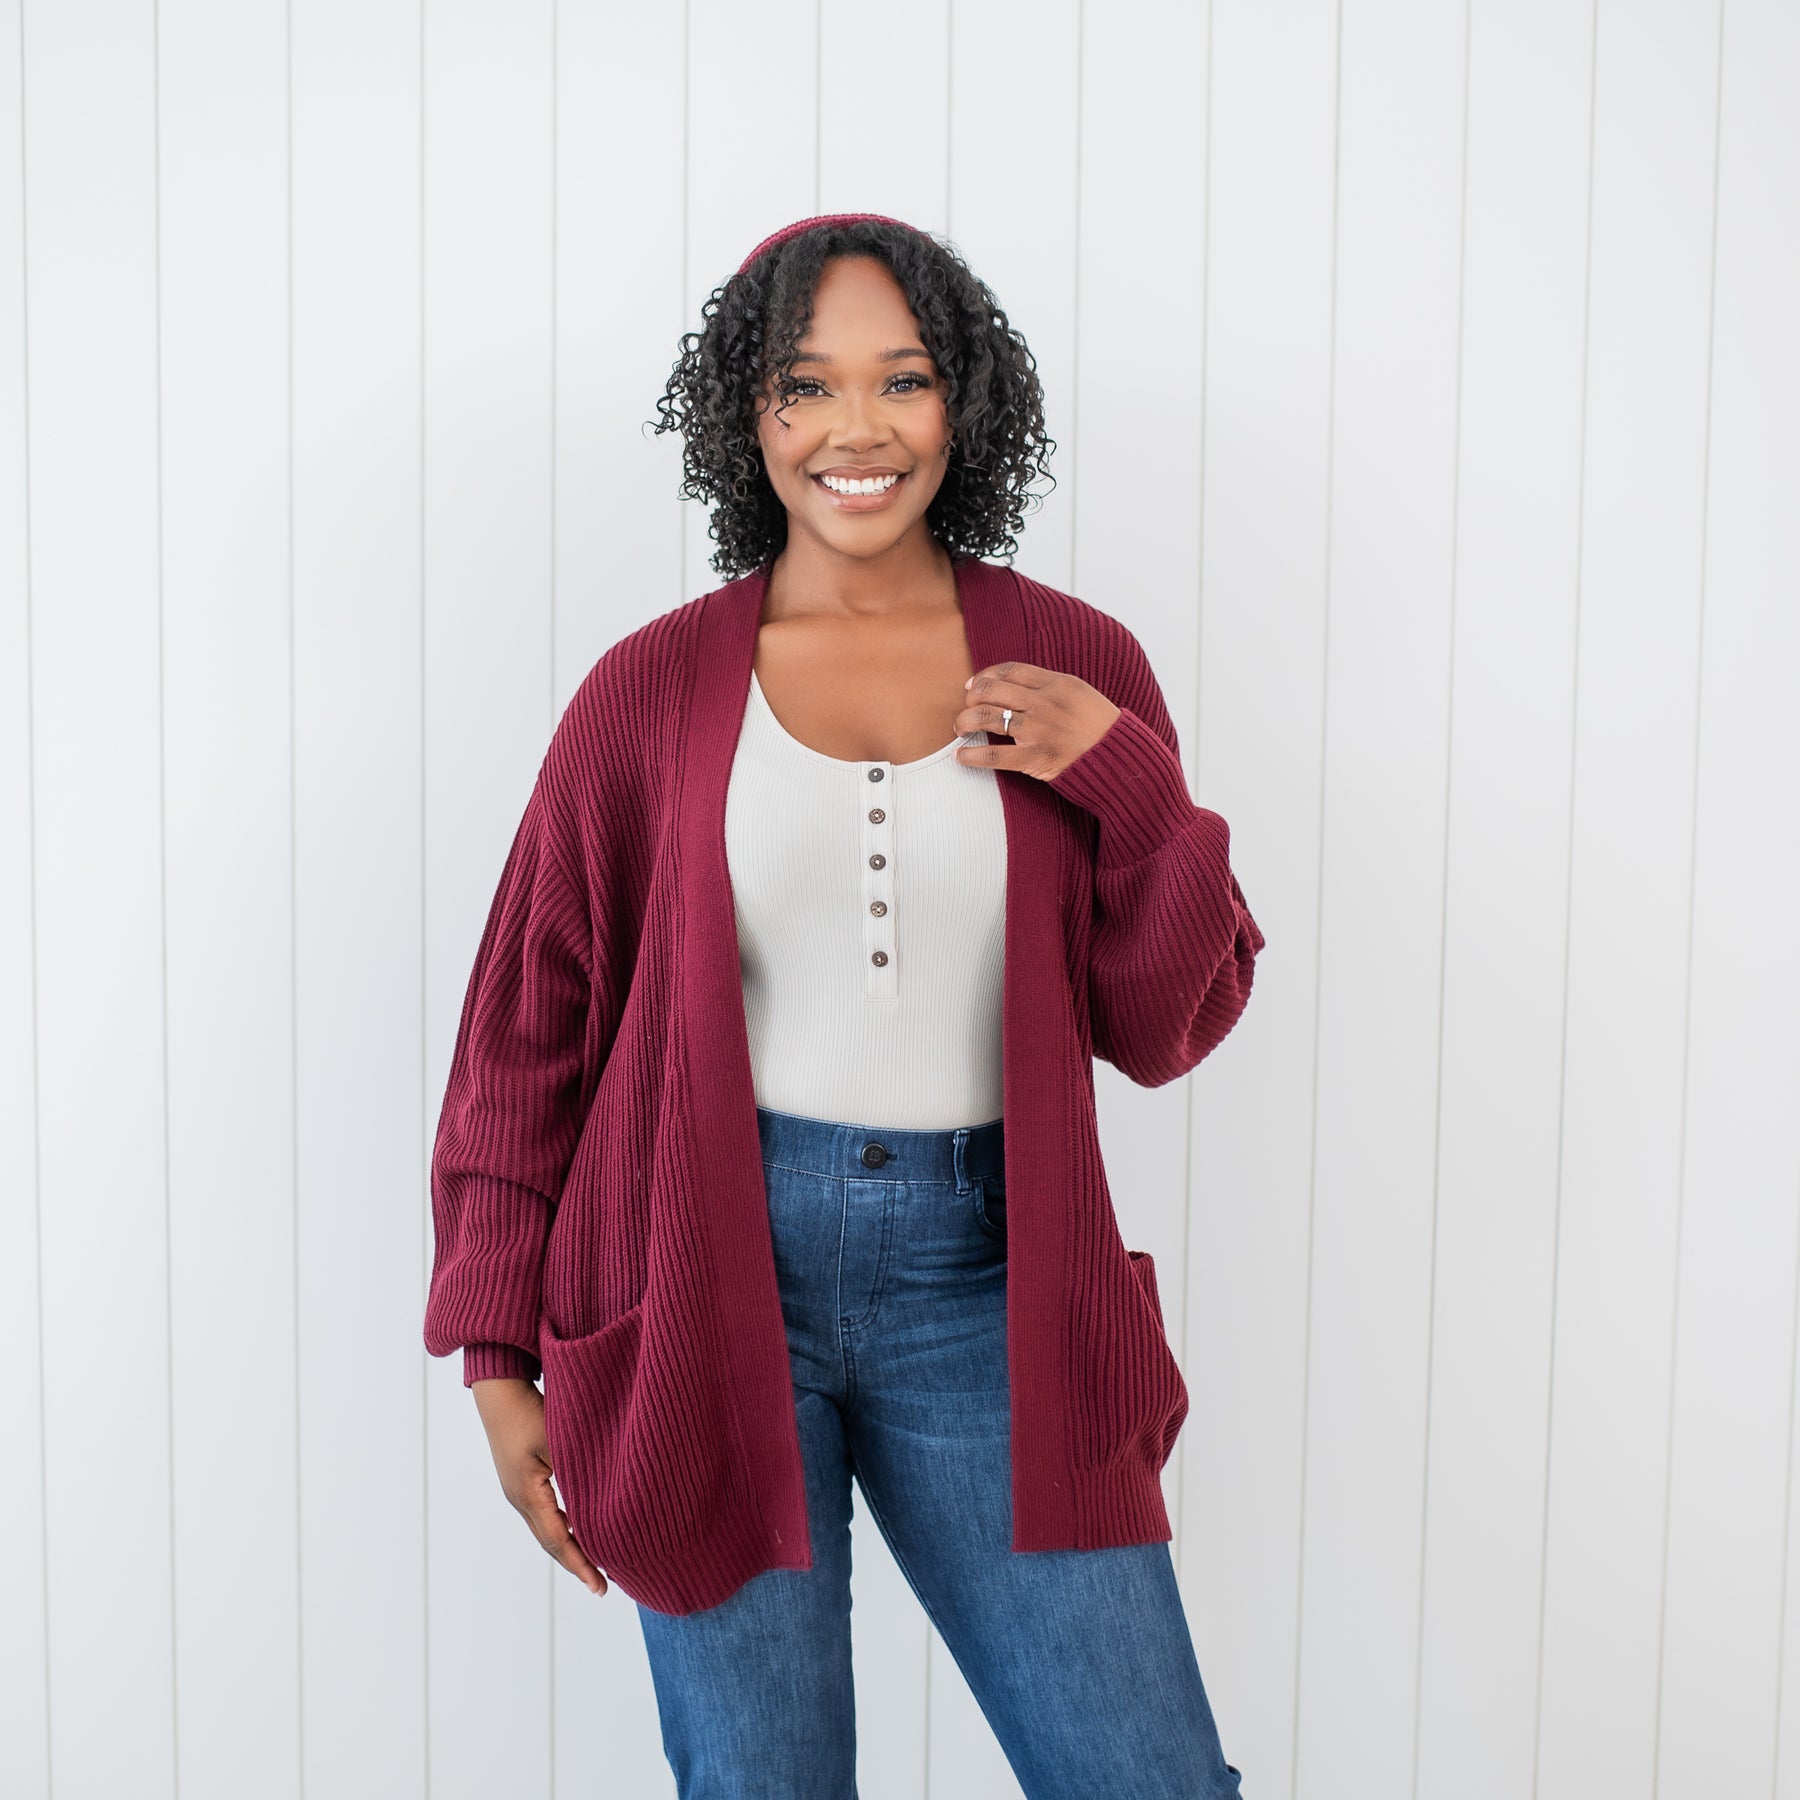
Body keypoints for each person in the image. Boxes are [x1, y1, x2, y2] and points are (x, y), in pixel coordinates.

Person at [424, 211, 1262, 1799]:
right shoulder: (650, 693)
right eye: (806, 387)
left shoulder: (1076, 666)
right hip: (696, 1283)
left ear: (967, 406)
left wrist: (1137, 796)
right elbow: (526, 1032)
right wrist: (491, 1347)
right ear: (748, 415)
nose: (857, 432)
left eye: (905, 381)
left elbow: (1164, 1031)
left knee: (1152, 1778)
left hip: (993, 1287)